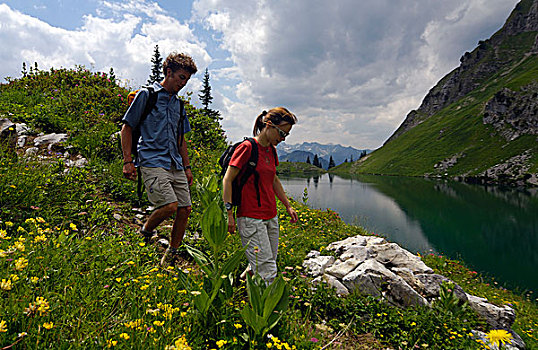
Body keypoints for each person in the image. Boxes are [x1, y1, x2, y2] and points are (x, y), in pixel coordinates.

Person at [121, 51, 197, 267]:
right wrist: (128, 161)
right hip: (152, 159)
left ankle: (171, 254)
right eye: (181, 77)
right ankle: (145, 231)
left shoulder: (179, 105)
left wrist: (187, 167)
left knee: (185, 209)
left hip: (175, 163)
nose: (183, 83)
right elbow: (127, 127)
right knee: (170, 205)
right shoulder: (147, 95)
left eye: (187, 79)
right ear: (168, 72)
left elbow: (181, 139)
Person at [222, 107, 299, 283]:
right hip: (250, 218)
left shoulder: (271, 150)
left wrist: (287, 205)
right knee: (267, 269)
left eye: (286, 135)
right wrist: (229, 214)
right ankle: (266, 308)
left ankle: (242, 286)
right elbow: (227, 179)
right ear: (269, 125)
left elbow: (273, 179)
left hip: (270, 215)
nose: (283, 138)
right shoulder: (247, 148)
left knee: (266, 260)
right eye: (281, 133)